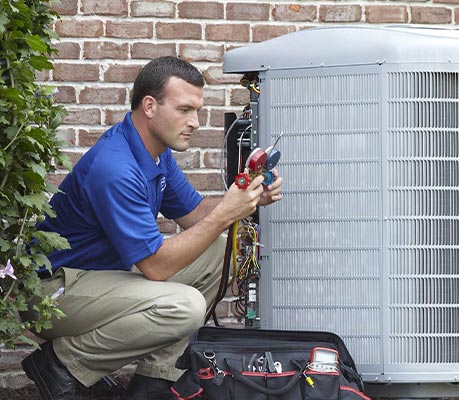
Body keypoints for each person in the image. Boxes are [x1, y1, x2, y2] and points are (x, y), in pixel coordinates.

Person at [20, 56, 283, 400]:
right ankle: (61, 365)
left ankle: (154, 382)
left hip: (101, 278)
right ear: (149, 106)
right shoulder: (115, 167)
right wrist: (226, 213)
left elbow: (192, 216)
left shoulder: (155, 153)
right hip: (53, 294)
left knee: (220, 252)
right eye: (185, 110)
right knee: (183, 306)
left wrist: (247, 197)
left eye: (198, 111)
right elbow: (156, 267)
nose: (195, 122)